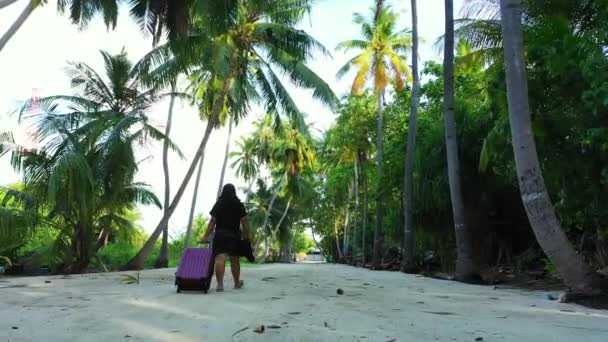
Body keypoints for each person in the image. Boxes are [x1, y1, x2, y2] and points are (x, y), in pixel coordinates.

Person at [201, 184, 252, 292]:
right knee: (235, 260)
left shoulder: (219, 204)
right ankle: (237, 283)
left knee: (220, 259)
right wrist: (248, 234)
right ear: (234, 192)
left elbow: (212, 222)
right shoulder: (238, 204)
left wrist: (205, 236)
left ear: (223, 192)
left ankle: (220, 285)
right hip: (234, 236)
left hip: (220, 235)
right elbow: (245, 221)